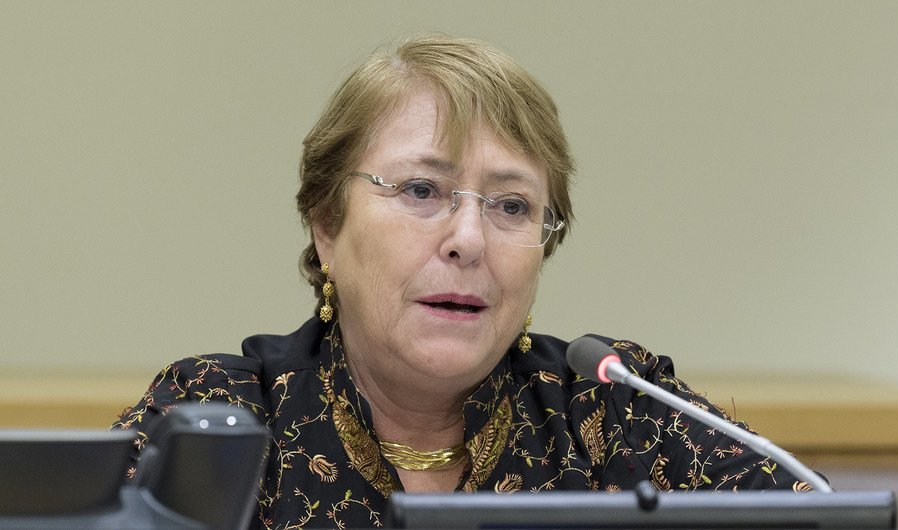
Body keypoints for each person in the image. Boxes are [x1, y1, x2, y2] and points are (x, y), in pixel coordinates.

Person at [114, 34, 813, 529]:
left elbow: (815, 515)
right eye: (422, 190)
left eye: (512, 206)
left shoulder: (614, 413)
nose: (469, 241)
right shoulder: (219, 416)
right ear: (327, 225)